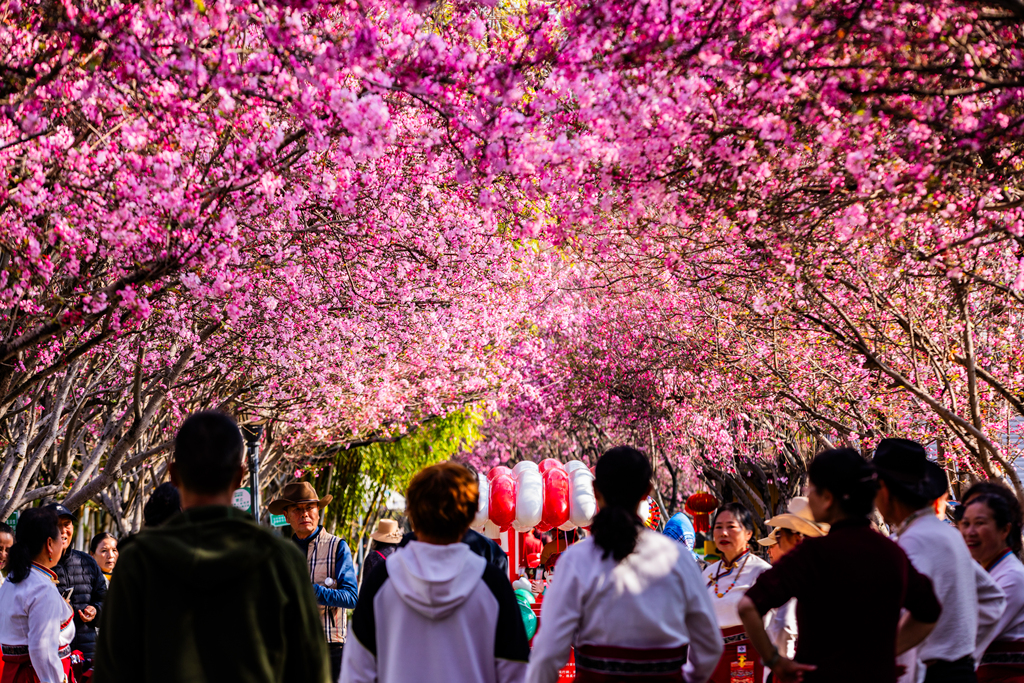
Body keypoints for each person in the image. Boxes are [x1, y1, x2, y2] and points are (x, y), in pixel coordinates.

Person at [91, 410, 331, 683]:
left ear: (174, 475)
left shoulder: (138, 562)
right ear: (241, 476)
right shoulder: (280, 560)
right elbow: (310, 672)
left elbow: (112, 674)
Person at [737, 448, 942, 683]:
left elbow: (748, 606)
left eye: (811, 489)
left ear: (827, 498)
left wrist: (775, 661)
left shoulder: (813, 554)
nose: (807, 494)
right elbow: (929, 612)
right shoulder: (892, 553)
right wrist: (886, 653)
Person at [527, 446, 723, 683]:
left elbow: (547, 653)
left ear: (595, 491)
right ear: (647, 492)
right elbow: (710, 645)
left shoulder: (576, 560)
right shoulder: (677, 558)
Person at [341, 462, 530, 683]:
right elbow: (516, 673)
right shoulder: (492, 583)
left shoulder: (383, 580)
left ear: (412, 513)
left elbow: (356, 672)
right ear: (470, 514)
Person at [873, 438, 1006, 683]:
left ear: (885, 490)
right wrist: (962, 645)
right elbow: (992, 600)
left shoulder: (916, 540)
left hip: (933, 674)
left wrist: (879, 657)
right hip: (957, 670)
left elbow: (915, 613)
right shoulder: (945, 534)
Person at [267, 481, 358, 681]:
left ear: (318, 512)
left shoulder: (337, 547)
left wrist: (309, 591)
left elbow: (351, 598)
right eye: (297, 509)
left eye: (310, 508)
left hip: (330, 647)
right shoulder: (280, 552)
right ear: (286, 516)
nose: (304, 514)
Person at [0, 507, 76, 683]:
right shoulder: (41, 588)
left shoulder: (14, 578)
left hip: (17, 674)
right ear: (49, 544)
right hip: (34, 676)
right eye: (59, 539)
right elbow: (43, 652)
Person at [957, 482, 1024, 682]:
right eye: (965, 523)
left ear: (1004, 529)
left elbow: (968, 637)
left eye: (979, 522)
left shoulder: (1012, 577)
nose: (970, 532)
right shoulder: (986, 571)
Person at [702, 502, 773, 683]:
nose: (723, 533)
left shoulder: (761, 572)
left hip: (747, 657)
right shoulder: (708, 574)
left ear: (748, 533)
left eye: (731, 527)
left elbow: (775, 626)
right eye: (718, 527)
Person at [761, 497, 828, 676]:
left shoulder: (793, 576)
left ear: (797, 538)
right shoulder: (825, 570)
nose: (771, 548)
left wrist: (777, 661)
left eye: (779, 536)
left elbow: (784, 627)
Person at [44, 502, 106, 664]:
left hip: (89, 654)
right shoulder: (38, 567)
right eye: (56, 525)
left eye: (67, 524)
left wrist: (96, 611)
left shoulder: (87, 562)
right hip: (54, 657)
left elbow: (107, 601)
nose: (63, 530)